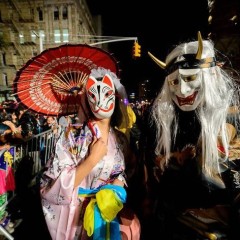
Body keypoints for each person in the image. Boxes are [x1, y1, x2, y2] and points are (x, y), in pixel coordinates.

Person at [141, 32, 240, 240]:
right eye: (174, 83)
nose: (182, 90)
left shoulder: (230, 120)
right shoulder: (160, 121)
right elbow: (151, 167)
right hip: (169, 224)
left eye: (191, 78)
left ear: (210, 77)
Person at [40, 67, 140, 240]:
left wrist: (118, 183)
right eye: (94, 95)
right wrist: (91, 160)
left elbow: (124, 170)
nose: (100, 101)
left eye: (107, 94)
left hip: (109, 212)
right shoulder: (72, 135)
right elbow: (50, 185)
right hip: (79, 219)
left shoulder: (120, 139)